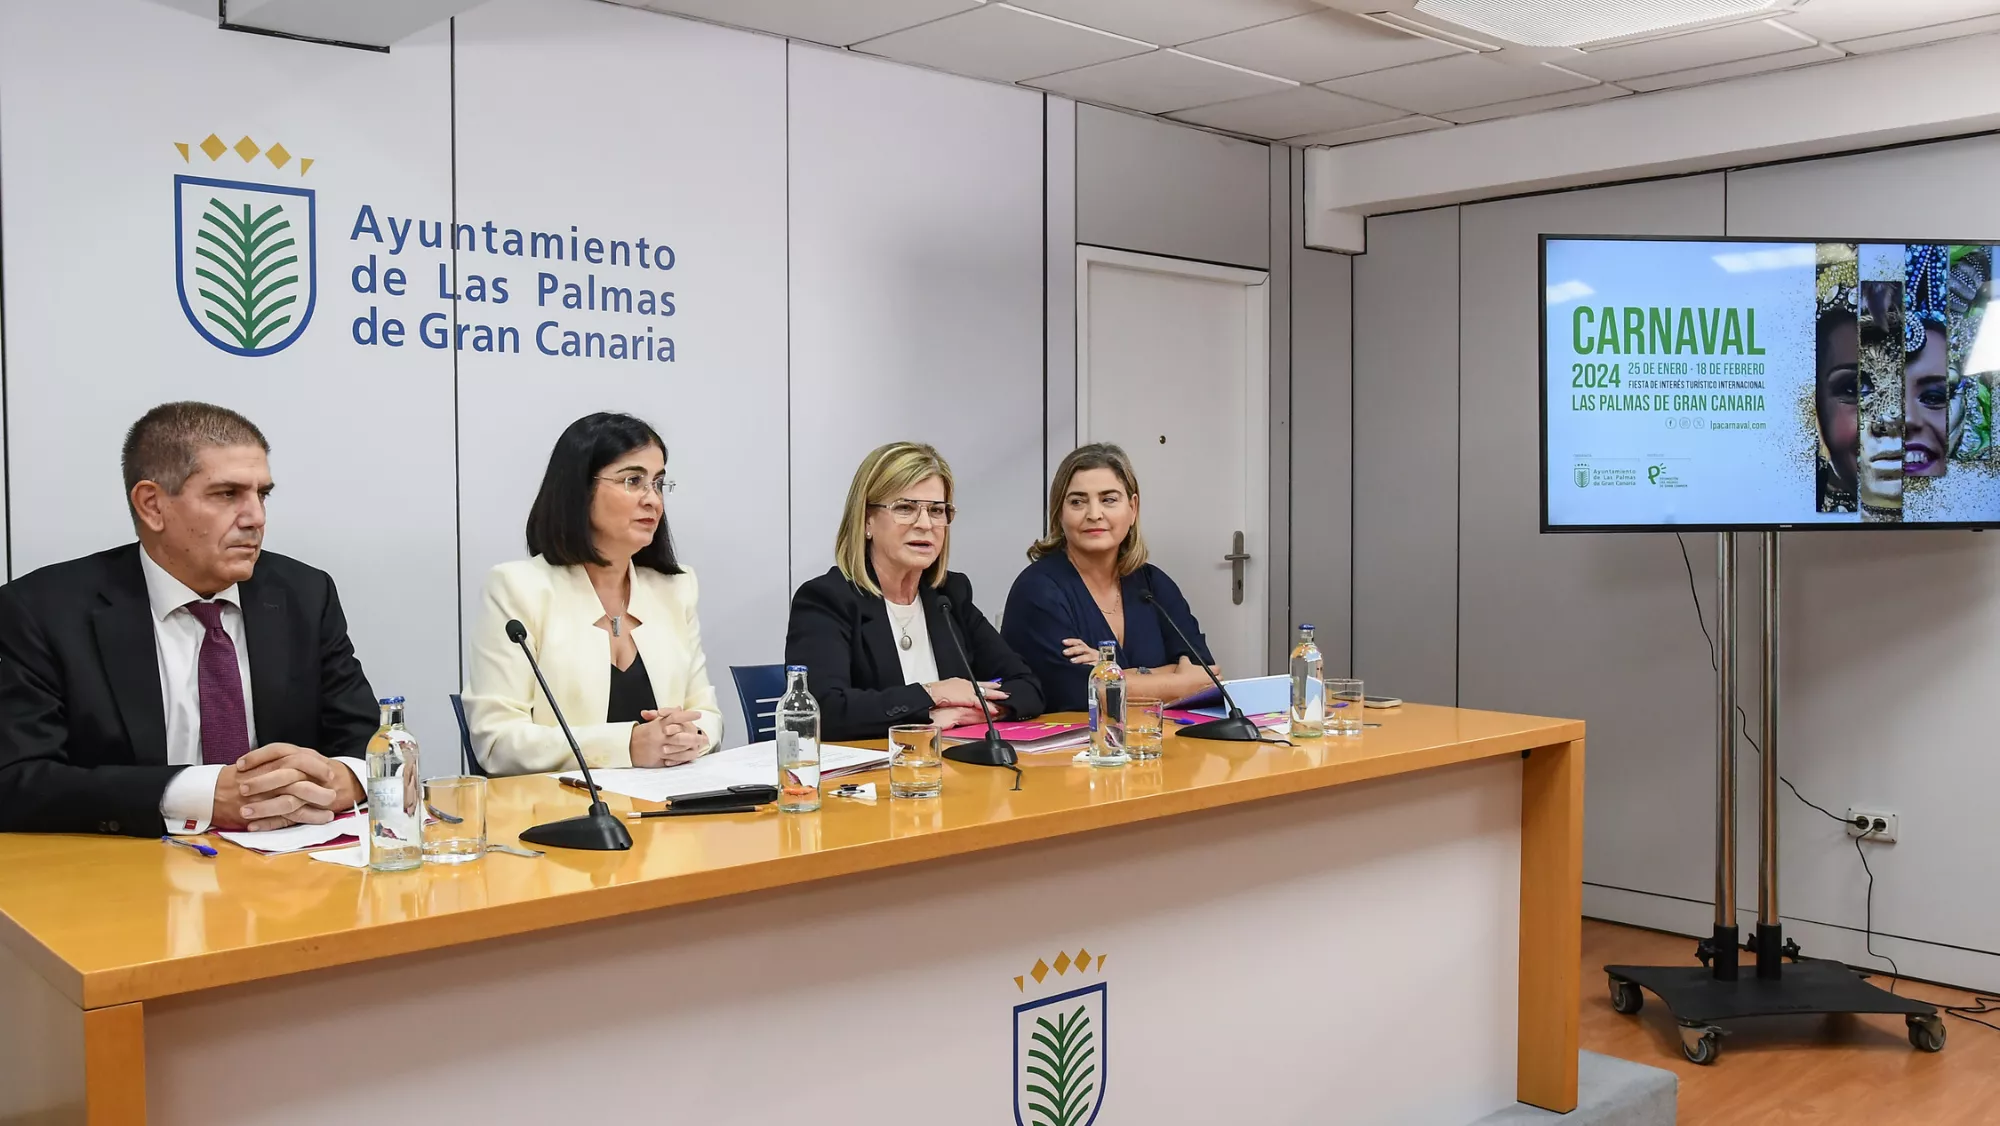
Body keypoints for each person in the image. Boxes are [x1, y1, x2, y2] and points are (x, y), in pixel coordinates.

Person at [0, 402, 378, 836]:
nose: (255, 517)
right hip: (124, 877)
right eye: (226, 494)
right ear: (152, 505)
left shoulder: (304, 594)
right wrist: (201, 794)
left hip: (291, 876)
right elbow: (16, 779)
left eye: (263, 494)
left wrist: (342, 779)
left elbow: (366, 739)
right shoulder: (42, 610)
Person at [464, 413, 722, 775]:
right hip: (560, 815)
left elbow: (707, 714)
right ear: (579, 489)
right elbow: (497, 742)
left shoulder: (675, 588)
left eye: (659, 483)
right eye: (633, 480)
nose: (653, 500)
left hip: (668, 812)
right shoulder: (517, 588)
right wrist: (627, 746)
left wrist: (690, 736)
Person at [786, 441, 1043, 741]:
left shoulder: (949, 596)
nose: (925, 524)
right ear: (867, 519)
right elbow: (822, 710)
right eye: (905, 508)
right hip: (871, 778)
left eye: (937, 510)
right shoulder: (827, 600)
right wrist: (933, 695)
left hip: (954, 770)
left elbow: (1027, 687)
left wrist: (971, 712)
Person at [1001, 443, 1217, 712]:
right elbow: (1077, 692)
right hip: (1071, 748)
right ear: (1059, 512)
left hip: (1154, 742)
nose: (1094, 514)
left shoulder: (1153, 584)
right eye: (1077, 501)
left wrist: (1112, 674)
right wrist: (1173, 677)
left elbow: (1206, 675)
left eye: (1109, 499)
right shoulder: (1037, 590)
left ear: (1133, 508)